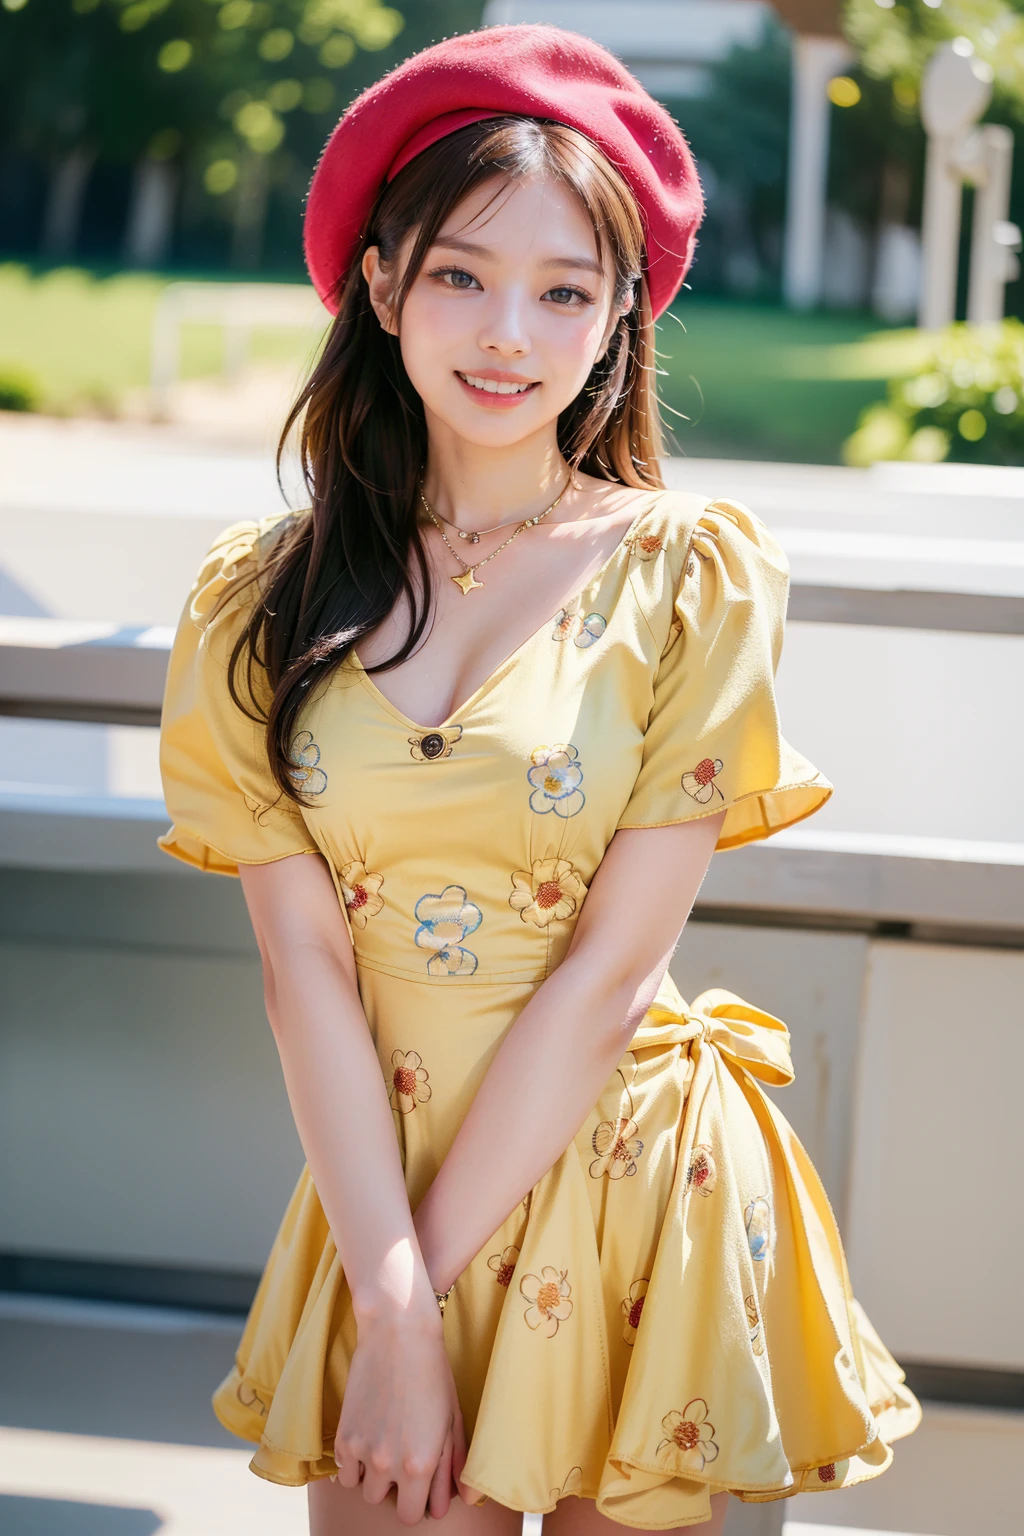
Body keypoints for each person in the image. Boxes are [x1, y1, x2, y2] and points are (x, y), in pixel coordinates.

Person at [158, 24, 920, 1535]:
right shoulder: (257, 600)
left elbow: (614, 978)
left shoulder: (686, 576)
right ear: (378, 284)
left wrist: (400, 1308)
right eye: (460, 274)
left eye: (563, 290)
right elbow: (302, 967)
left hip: (623, 1178)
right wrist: (389, 1306)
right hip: (381, 1187)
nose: (509, 332)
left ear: (620, 313)